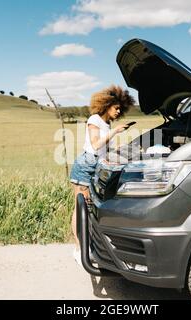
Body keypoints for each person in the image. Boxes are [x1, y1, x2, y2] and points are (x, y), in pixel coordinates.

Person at [69, 85, 136, 266]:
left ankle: (90, 246)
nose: (118, 111)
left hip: (97, 166)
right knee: (80, 208)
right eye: (116, 107)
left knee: (91, 209)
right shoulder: (94, 119)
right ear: (106, 105)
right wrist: (115, 132)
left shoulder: (107, 123)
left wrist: (121, 152)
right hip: (85, 166)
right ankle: (78, 249)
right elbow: (96, 144)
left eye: (120, 108)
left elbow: (104, 150)